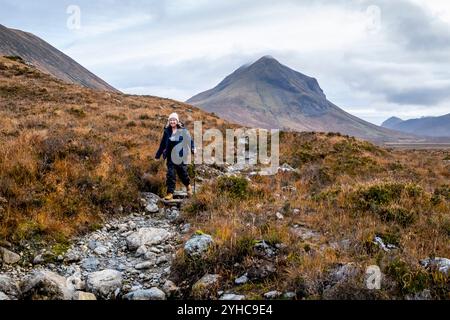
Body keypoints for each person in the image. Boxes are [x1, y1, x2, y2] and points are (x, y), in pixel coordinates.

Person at [155, 113, 195, 200]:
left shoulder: (183, 130)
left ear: (177, 121)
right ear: (169, 121)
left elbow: (190, 141)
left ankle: (188, 186)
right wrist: (158, 155)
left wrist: (193, 148)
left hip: (181, 156)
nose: (172, 121)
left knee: (183, 174)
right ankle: (170, 193)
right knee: (170, 174)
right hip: (170, 157)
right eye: (171, 120)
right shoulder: (167, 131)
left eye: (174, 120)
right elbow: (162, 144)